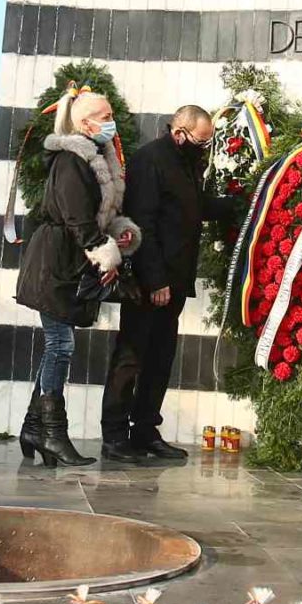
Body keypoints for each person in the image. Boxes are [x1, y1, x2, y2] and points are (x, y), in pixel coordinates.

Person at [11, 91, 140, 468]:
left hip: (68, 264)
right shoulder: (71, 159)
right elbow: (78, 221)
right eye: (106, 115)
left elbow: (97, 217)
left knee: (58, 344)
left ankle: (36, 427)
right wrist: (106, 255)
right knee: (60, 345)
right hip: (54, 264)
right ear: (85, 124)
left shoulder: (96, 159)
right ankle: (50, 431)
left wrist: (120, 234)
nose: (111, 121)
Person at [99, 106, 212, 464]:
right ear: (179, 132)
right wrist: (155, 279)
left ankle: (146, 430)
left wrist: (235, 205)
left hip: (176, 279)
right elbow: (141, 222)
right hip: (151, 281)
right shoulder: (151, 160)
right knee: (131, 357)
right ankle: (115, 435)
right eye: (201, 140)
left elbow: (192, 208)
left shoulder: (189, 163)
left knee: (160, 359)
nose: (205, 147)